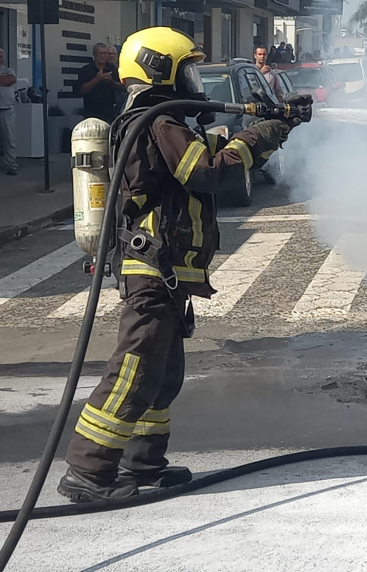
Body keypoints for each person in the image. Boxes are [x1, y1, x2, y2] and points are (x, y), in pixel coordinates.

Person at [57, 27, 303, 503]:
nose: (194, 79)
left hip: (160, 269)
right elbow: (208, 173)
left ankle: (144, 464)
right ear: (159, 70)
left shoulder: (161, 120)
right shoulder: (160, 120)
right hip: (150, 268)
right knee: (133, 369)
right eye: (186, 69)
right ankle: (88, 472)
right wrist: (260, 134)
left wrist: (271, 129)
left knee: (162, 373)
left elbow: (202, 162)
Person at [76, 43, 125, 123]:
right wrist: (97, 79)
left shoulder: (112, 69)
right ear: (95, 54)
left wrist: (111, 82)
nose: (103, 56)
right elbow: (81, 90)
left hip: (110, 113)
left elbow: (122, 87)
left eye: (105, 53)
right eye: (101, 53)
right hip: (91, 113)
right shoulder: (86, 70)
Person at [0, 48, 18, 176]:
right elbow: (4, 81)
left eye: (1, 56)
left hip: (6, 108)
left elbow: (10, 80)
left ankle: (10, 164)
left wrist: (3, 80)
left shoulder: (8, 71)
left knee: (9, 138)